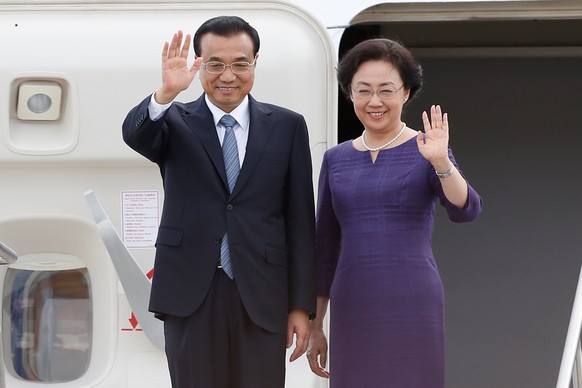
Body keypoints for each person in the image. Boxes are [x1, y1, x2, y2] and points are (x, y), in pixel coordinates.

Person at [122, 16, 316, 388]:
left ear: (255, 62)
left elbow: (300, 221)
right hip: (190, 291)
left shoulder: (288, 125)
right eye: (215, 64)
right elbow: (135, 135)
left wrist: (300, 306)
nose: (228, 75)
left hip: (262, 292)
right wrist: (165, 93)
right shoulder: (174, 119)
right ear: (199, 65)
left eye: (240, 63)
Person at [306, 38, 483, 387]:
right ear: (349, 94)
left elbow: (466, 209)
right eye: (363, 90)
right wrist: (316, 324)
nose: (374, 101)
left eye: (386, 90)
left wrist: (442, 162)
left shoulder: (427, 149)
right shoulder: (336, 159)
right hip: (352, 299)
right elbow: (324, 247)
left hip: (411, 296)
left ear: (406, 92)